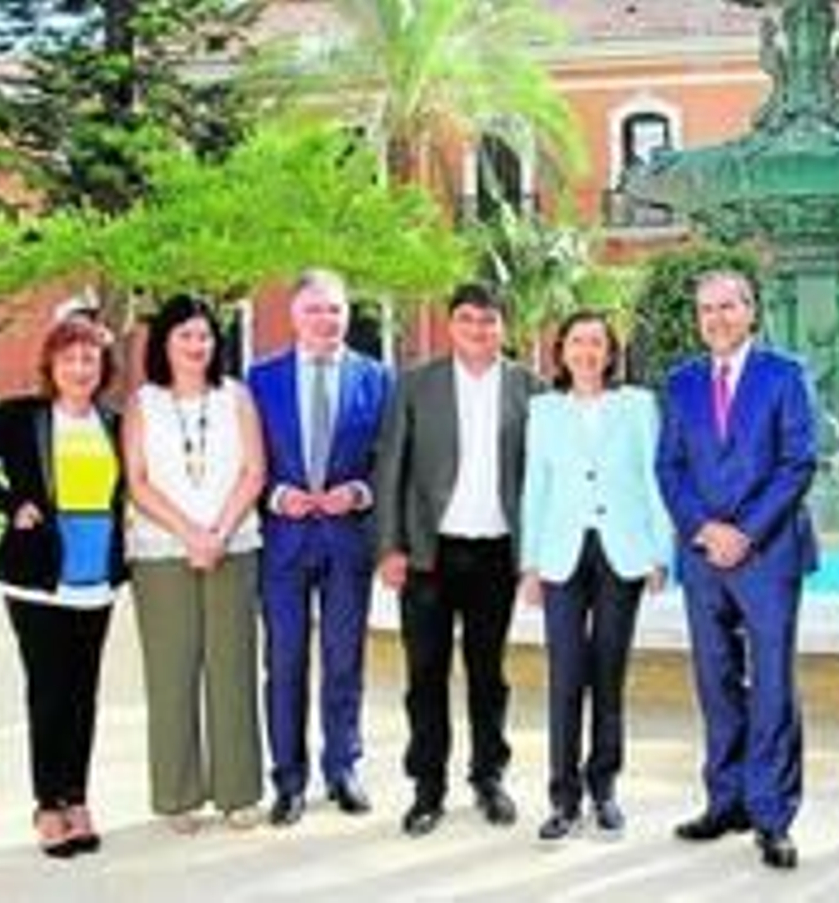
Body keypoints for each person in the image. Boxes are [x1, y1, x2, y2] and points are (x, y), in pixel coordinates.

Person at [0, 314, 125, 859]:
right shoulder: (22, 417)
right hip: (38, 580)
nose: (80, 368)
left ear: (102, 367)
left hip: (96, 579)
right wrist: (10, 505)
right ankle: (48, 806)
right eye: (69, 358)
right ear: (51, 365)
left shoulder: (113, 423)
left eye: (89, 358)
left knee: (83, 695)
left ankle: (77, 799)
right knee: (49, 693)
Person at [655, 270, 818, 870]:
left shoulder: (786, 374)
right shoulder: (681, 383)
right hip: (702, 559)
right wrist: (704, 530)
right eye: (706, 310)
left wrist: (744, 532)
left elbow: (798, 463)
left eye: (728, 307)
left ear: (751, 311)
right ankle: (725, 800)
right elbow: (669, 467)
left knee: (773, 684)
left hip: (768, 553)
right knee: (714, 679)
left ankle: (772, 815)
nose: (717, 319)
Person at [376, 281, 543, 837]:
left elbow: (541, 481)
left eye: (489, 320)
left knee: (488, 674)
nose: (479, 329)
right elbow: (390, 467)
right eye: (468, 319)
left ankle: (488, 777)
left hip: (495, 553)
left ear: (504, 327)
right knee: (424, 676)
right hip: (428, 553)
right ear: (451, 325)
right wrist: (390, 546)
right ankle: (428, 788)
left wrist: (534, 556)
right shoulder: (416, 385)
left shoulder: (530, 388)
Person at [518, 311, 674, 841]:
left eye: (597, 343)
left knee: (609, 673)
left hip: (621, 553)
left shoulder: (637, 406)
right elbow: (534, 489)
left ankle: (604, 789)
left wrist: (660, 551)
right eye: (578, 342)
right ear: (562, 350)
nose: (587, 352)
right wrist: (531, 564)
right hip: (562, 554)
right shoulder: (542, 410)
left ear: (611, 353)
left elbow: (655, 479)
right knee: (565, 676)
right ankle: (563, 798)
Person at [248, 269, 393, 827]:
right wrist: (276, 494)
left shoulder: (376, 379)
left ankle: (343, 769)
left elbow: (389, 462)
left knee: (343, 661)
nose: (326, 320)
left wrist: (359, 492)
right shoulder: (260, 380)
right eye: (315, 310)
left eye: (335, 310)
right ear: (294, 315)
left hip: (346, 541)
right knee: (283, 663)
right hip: (283, 542)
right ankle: (288, 780)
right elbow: (246, 459)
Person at [123, 294, 267, 833]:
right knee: (171, 673)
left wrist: (219, 533)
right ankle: (177, 795)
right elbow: (137, 480)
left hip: (234, 545)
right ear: (165, 342)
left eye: (204, 336)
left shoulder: (237, 397)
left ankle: (239, 791)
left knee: (232, 669)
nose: (196, 346)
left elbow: (254, 471)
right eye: (185, 336)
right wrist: (189, 533)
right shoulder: (144, 402)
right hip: (162, 553)